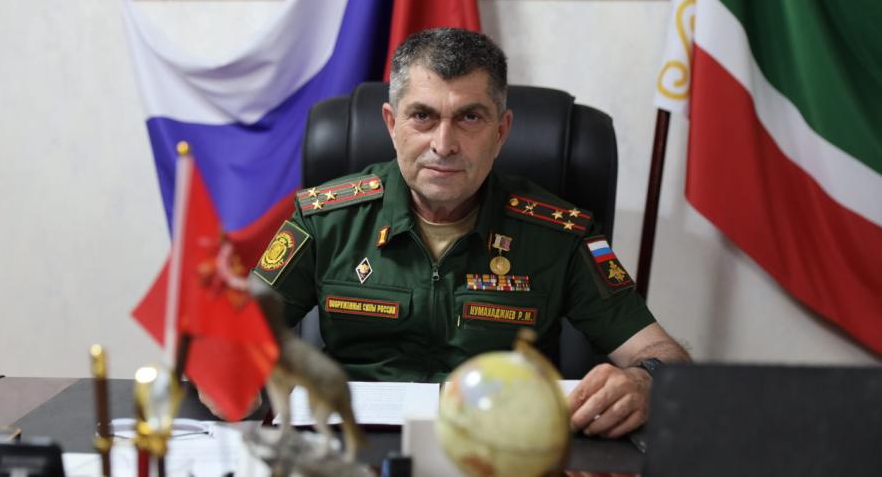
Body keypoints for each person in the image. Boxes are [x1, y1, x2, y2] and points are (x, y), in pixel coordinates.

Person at [252, 27, 690, 438]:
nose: (444, 145)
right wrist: (234, 378)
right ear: (391, 124)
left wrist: (644, 382)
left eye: (469, 118)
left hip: (504, 450)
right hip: (354, 447)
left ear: (501, 131)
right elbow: (235, 337)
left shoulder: (559, 234)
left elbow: (666, 356)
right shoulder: (326, 219)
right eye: (422, 116)